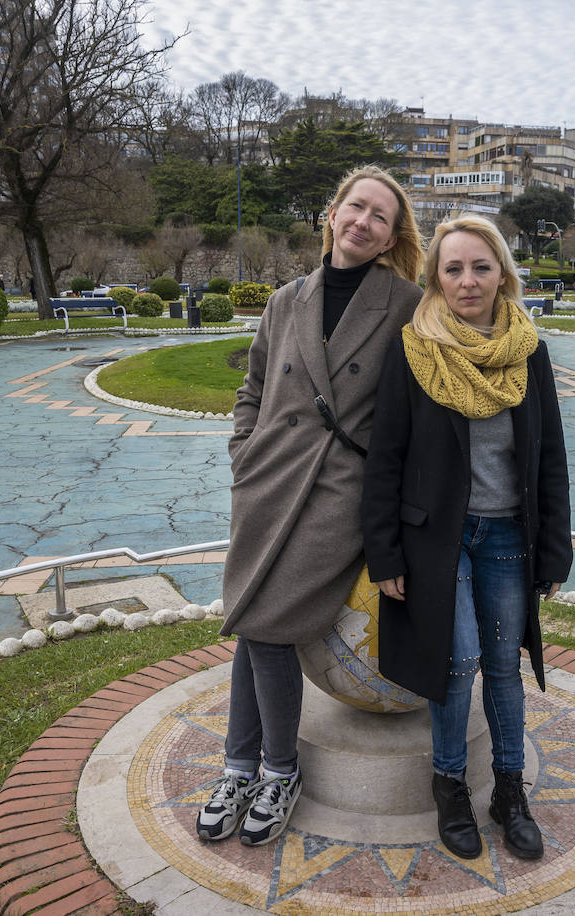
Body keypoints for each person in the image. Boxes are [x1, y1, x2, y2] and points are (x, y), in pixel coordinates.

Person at [195, 166, 425, 846]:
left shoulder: (406, 303)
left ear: (390, 236)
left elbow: (416, 412)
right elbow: (254, 384)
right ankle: (242, 768)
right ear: (332, 213)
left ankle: (275, 768)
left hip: (339, 488)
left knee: (265, 623)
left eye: (380, 216)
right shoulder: (286, 299)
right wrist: (244, 449)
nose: (364, 221)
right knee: (253, 619)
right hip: (268, 480)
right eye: (356, 206)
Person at [361, 216, 572, 861]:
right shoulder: (413, 348)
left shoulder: (527, 350)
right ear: (435, 278)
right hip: (438, 543)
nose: (468, 280)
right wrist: (385, 553)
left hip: (510, 534)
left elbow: (550, 455)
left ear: (502, 272)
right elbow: (385, 458)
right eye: (453, 269)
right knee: (456, 665)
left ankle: (510, 790)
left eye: (480, 267)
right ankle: (449, 785)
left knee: (504, 669)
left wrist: (556, 548)